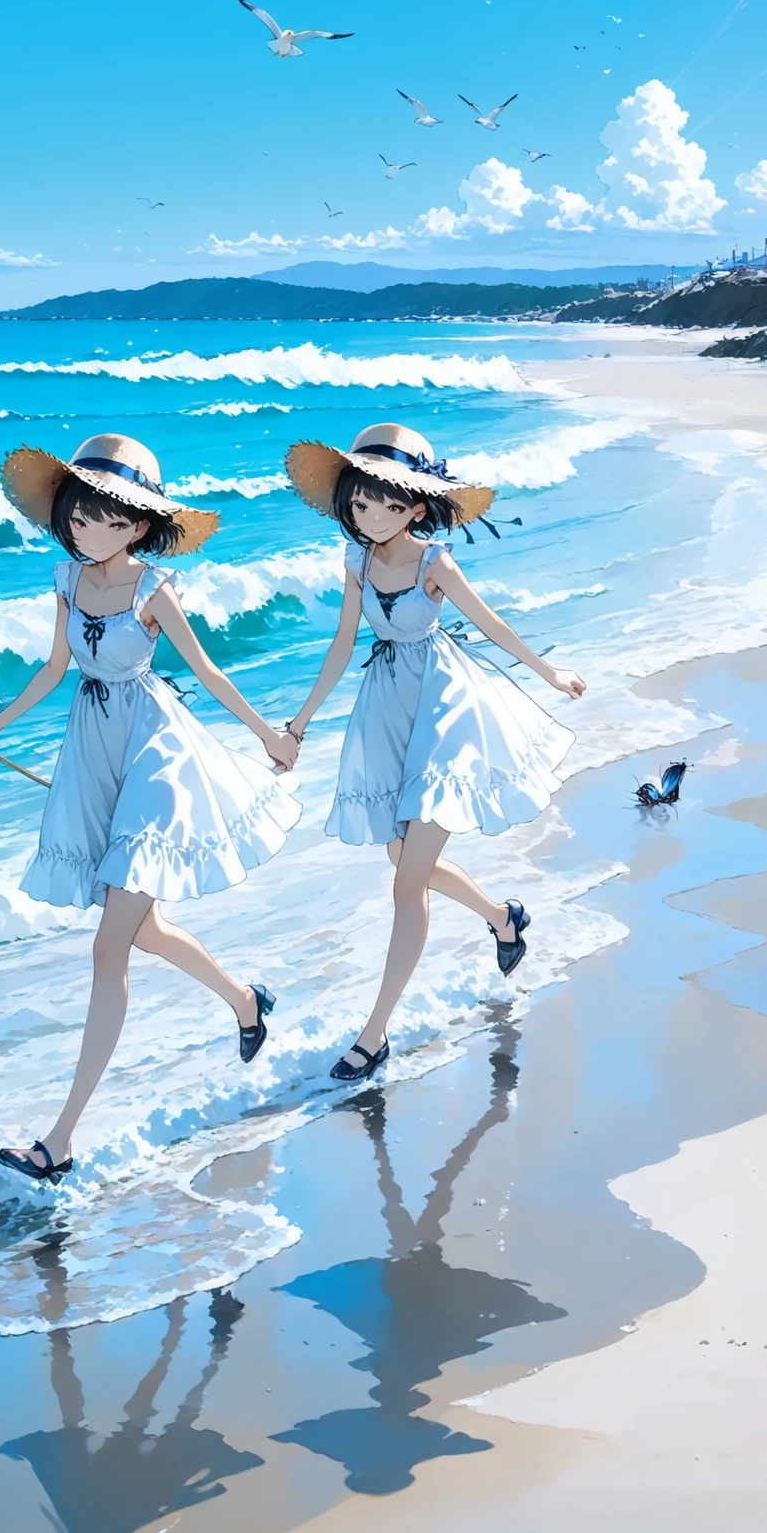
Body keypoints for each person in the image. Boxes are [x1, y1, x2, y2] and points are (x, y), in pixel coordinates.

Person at [0, 433, 300, 1183]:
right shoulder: (65, 579)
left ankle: (60, 1142)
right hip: (94, 752)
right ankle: (246, 1002)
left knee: (108, 947)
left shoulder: (152, 590)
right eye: (79, 515)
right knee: (144, 930)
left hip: (156, 754)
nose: (87, 529)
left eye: (107, 519)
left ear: (140, 525)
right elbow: (55, 666)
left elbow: (207, 670)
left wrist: (267, 735)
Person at [281, 422, 584, 1084]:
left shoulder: (434, 563)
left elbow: (488, 622)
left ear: (416, 509)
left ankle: (374, 1034)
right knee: (404, 860)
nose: (365, 514)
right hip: (387, 710)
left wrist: (548, 673)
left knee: (405, 881)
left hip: (447, 710)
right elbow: (341, 645)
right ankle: (504, 918)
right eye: (358, 502)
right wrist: (298, 723)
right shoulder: (357, 562)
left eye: (381, 503)